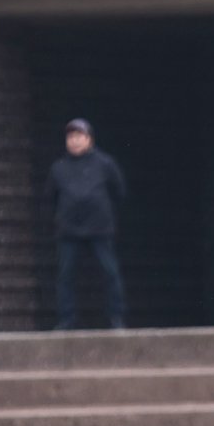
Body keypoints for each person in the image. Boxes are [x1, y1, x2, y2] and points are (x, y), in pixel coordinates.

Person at [45, 118, 128, 330]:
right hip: (68, 230)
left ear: (89, 139)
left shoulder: (105, 163)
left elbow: (119, 192)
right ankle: (67, 319)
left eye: (79, 136)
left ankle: (115, 317)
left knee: (110, 273)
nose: (74, 141)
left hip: (100, 229)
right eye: (70, 137)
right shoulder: (58, 168)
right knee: (65, 276)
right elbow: (50, 197)